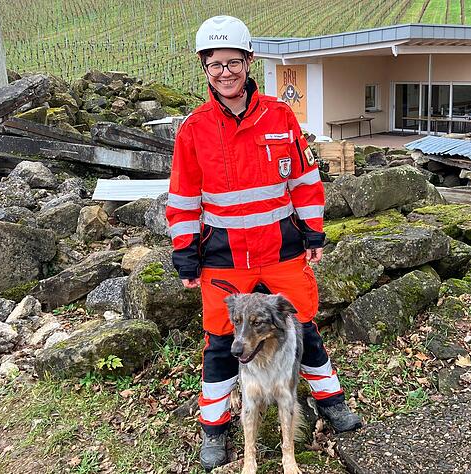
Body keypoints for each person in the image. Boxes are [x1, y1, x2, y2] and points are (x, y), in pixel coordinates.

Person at [165, 15, 362, 471]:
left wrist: (313, 231)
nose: (225, 72)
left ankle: (331, 403)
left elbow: (305, 181)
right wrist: (185, 254)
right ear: (204, 67)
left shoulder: (280, 116)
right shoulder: (193, 129)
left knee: (304, 327)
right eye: (215, 64)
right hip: (223, 258)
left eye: (233, 62)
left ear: (249, 61)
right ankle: (214, 428)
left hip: (281, 251)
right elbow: (183, 197)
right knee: (221, 342)